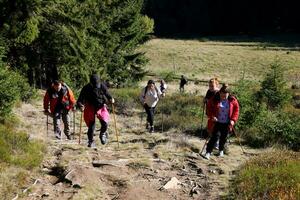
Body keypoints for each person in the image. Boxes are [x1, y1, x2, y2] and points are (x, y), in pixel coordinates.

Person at [76, 74, 115, 147]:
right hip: (90, 107)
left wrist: (111, 98)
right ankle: (91, 141)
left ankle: (102, 133)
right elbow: (79, 100)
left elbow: (107, 94)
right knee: (91, 126)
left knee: (105, 123)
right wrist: (81, 106)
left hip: (101, 106)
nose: (96, 85)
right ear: (91, 83)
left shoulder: (102, 85)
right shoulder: (86, 88)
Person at [204, 84, 239, 160]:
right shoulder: (214, 99)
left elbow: (236, 110)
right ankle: (208, 152)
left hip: (227, 123)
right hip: (216, 122)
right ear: (219, 93)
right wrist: (212, 116)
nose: (223, 96)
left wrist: (233, 120)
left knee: (224, 137)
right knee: (214, 137)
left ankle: (221, 151)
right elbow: (208, 109)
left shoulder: (233, 100)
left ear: (228, 94)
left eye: (225, 95)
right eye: (222, 94)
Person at [203, 78, 220, 146]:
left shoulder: (219, 93)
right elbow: (206, 98)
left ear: (217, 85)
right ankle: (212, 141)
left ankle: (216, 142)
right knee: (210, 127)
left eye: (212, 86)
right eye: (209, 86)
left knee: (216, 128)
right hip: (210, 112)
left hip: (216, 113)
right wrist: (205, 100)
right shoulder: (209, 91)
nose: (210, 87)